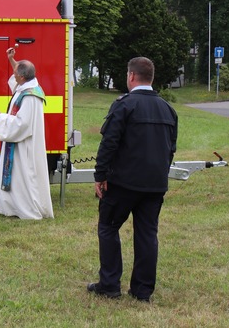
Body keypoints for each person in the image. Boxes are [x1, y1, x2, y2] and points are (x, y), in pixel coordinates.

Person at [87, 57, 178, 303]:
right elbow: (171, 149)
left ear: (131, 76)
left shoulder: (124, 105)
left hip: (123, 183)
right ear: (151, 78)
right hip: (154, 184)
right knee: (147, 234)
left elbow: (109, 143)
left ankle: (109, 284)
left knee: (108, 227)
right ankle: (142, 290)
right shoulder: (168, 109)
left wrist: (100, 175)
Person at [0, 48, 53, 220]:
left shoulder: (30, 96)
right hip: (18, 143)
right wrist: (12, 60)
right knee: (18, 178)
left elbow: (22, 123)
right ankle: (12, 207)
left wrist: (1, 118)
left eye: (16, 74)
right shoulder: (28, 86)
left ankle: (25, 209)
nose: (14, 77)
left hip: (23, 145)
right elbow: (16, 81)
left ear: (23, 77)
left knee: (22, 178)